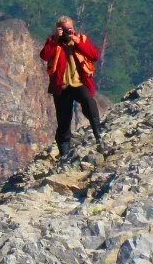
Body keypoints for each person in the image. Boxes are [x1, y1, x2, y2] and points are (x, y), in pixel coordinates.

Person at [40, 15, 106, 158]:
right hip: (61, 86)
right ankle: (64, 152)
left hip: (79, 83)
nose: (68, 32)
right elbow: (45, 56)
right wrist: (55, 39)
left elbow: (95, 55)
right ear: (59, 30)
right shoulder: (53, 42)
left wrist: (78, 42)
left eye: (70, 28)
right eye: (64, 29)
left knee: (89, 102)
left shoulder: (81, 39)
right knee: (64, 119)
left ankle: (98, 135)